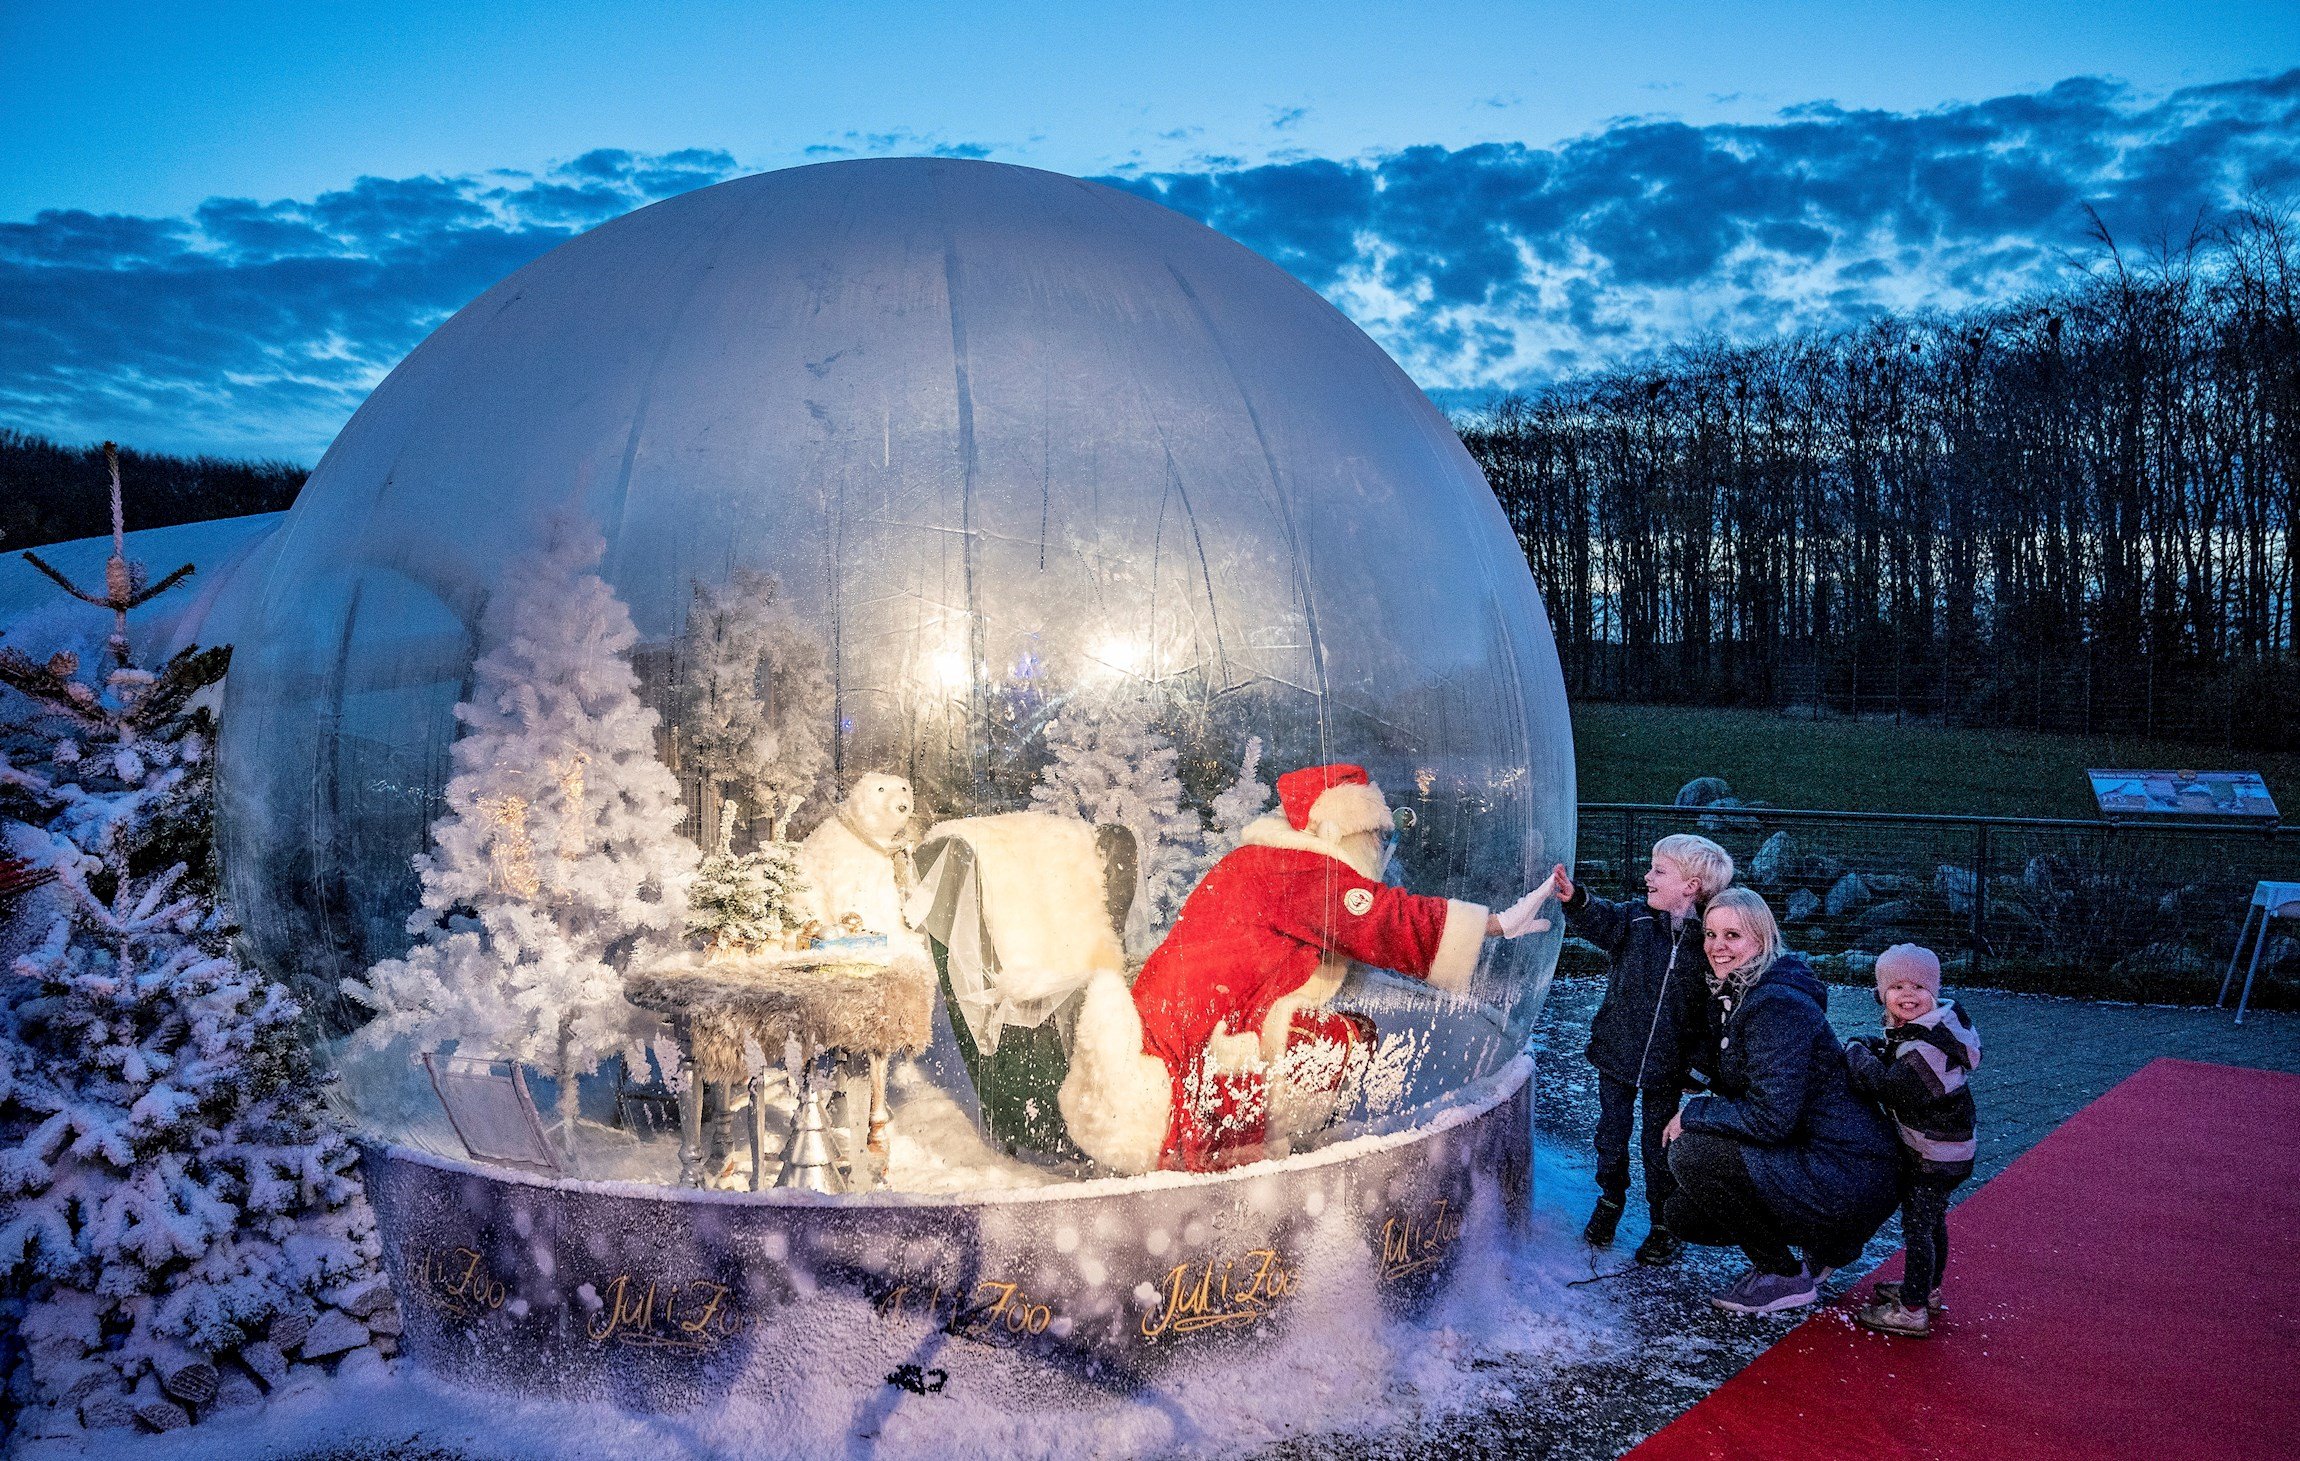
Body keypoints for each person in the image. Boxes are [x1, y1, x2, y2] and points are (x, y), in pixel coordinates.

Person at [1058, 763, 1557, 1174]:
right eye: (1374, 838)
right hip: (1182, 1051)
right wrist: (1494, 924)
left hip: (1172, 1031)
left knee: (1336, 1038)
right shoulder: (1299, 869)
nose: (1380, 853)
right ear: (1341, 831)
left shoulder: (1267, 861)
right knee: (1338, 1043)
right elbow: (1381, 919)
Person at [1661, 887, 1901, 1314]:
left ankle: (1783, 1275)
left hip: (1849, 1171)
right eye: (1711, 935)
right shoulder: (1747, 990)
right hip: (1827, 1159)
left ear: (1762, 939)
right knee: (1682, 1213)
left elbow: (1771, 1118)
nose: (1718, 947)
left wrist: (1694, 1113)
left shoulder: (1776, 1005)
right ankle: (1824, 1247)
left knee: (1692, 1154)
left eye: (1733, 936)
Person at [1553, 833, 1734, 1265]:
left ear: (1690, 886)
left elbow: (1714, 1013)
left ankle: (1662, 1223)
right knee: (1610, 1137)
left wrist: (1702, 1066)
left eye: (1658, 870)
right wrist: (1576, 900)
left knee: (1661, 1146)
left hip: (1668, 1068)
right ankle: (1610, 1200)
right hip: (1618, 1053)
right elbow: (1602, 920)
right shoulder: (1635, 921)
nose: (1647, 876)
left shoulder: (1710, 944)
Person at [1843, 943, 1981, 1339]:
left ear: (1934, 991)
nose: (1908, 994)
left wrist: (1856, 1051)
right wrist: (1876, 1044)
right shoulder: (1933, 1028)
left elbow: (1891, 1087)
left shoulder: (1929, 1046)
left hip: (1935, 1154)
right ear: (1880, 993)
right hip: (1949, 1149)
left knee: (1919, 1227)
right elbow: (1895, 1051)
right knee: (1932, 1220)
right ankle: (1927, 1289)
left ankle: (1912, 1309)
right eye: (1897, 986)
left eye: (1919, 986)